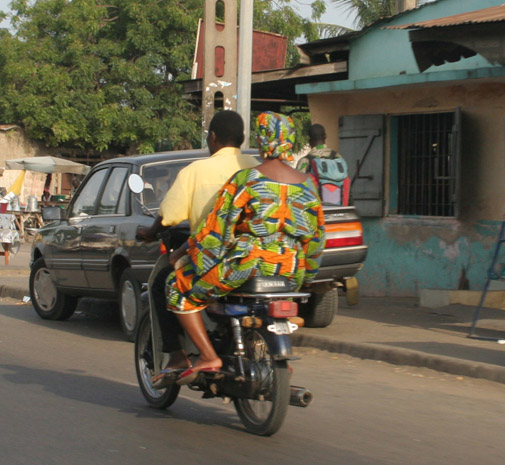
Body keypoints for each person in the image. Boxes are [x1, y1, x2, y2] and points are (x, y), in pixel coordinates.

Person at [164, 111, 326, 385]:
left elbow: (217, 233)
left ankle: (208, 356)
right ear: (290, 141)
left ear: (262, 141)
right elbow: (317, 239)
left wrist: (185, 256)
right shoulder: (309, 184)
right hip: (290, 269)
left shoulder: (246, 180)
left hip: (247, 266)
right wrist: (306, 279)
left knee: (176, 288)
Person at [138, 110, 259, 385]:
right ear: (242, 138)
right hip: (257, 257)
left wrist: (149, 232)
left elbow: (168, 215)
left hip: (214, 258)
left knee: (163, 284)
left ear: (212, 137)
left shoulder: (195, 171)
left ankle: (179, 355)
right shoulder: (258, 168)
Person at [296, 124, 350, 206]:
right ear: (325, 136)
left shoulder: (305, 161)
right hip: (338, 210)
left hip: (316, 211)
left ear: (308, 139)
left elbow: (298, 188)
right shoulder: (337, 158)